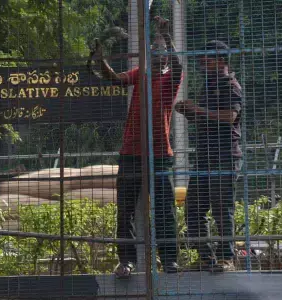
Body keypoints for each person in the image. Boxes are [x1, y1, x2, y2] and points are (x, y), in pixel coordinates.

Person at [90, 16, 183, 277]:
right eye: (152, 53)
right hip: (130, 152)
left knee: (164, 209)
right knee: (125, 209)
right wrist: (100, 60)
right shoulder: (139, 76)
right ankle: (127, 261)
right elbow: (115, 78)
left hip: (159, 155)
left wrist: (166, 35)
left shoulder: (171, 79)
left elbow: (178, 64)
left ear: (165, 60)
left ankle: (170, 260)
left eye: (160, 53)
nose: (155, 57)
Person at [175, 40, 242, 272]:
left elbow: (230, 117)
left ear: (222, 60)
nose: (203, 61)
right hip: (204, 155)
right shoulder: (207, 85)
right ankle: (206, 258)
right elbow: (207, 119)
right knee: (193, 208)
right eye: (202, 57)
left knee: (222, 208)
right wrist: (189, 113)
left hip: (224, 155)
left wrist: (198, 109)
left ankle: (227, 258)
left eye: (208, 57)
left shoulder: (230, 84)